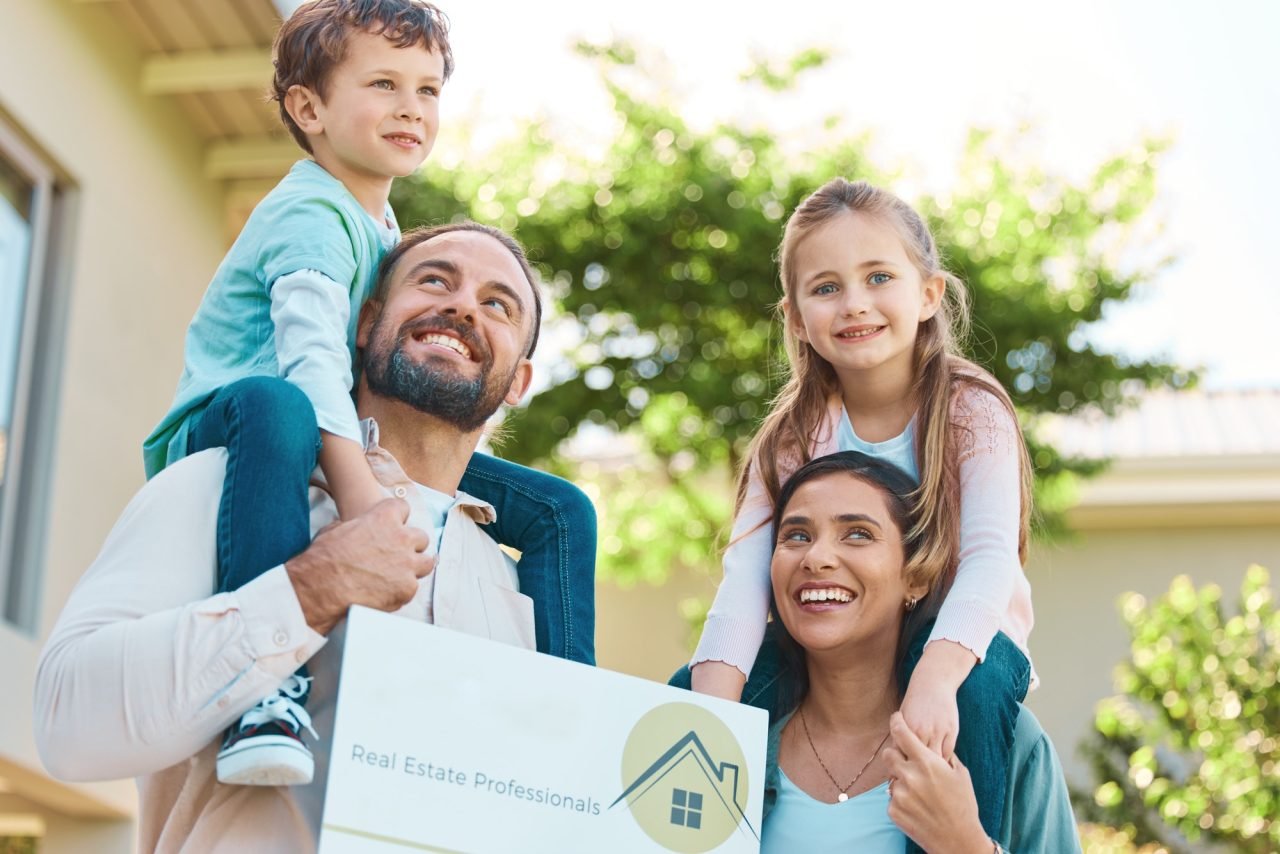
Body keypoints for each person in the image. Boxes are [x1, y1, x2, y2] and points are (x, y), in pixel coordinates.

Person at [140, 0, 594, 786]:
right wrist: (365, 498)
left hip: (330, 423)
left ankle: (573, 725)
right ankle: (266, 690)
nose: (411, 109)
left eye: (427, 90)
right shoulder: (313, 212)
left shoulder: (379, 223)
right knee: (277, 402)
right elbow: (311, 360)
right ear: (308, 108)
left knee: (561, 511)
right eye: (383, 84)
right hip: (243, 426)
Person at [35, 222, 591, 852]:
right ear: (365, 323)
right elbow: (66, 725)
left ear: (519, 381)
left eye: (497, 304)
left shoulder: (517, 586)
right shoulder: (219, 485)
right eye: (434, 280)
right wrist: (309, 590)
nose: (462, 305)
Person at [690, 178, 1036, 842]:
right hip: (831, 644)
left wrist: (935, 677)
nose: (854, 305)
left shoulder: (969, 411)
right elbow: (744, 578)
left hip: (962, 641)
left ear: (929, 293)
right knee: (699, 686)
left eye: (878, 277)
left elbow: (992, 559)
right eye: (825, 288)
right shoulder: (793, 435)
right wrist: (710, 710)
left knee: (976, 693)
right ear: (794, 318)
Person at [756, 452, 1078, 852]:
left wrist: (966, 844)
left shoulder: (1012, 744)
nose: (815, 558)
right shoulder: (726, 740)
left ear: (916, 577)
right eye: (797, 536)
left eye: (858, 533)